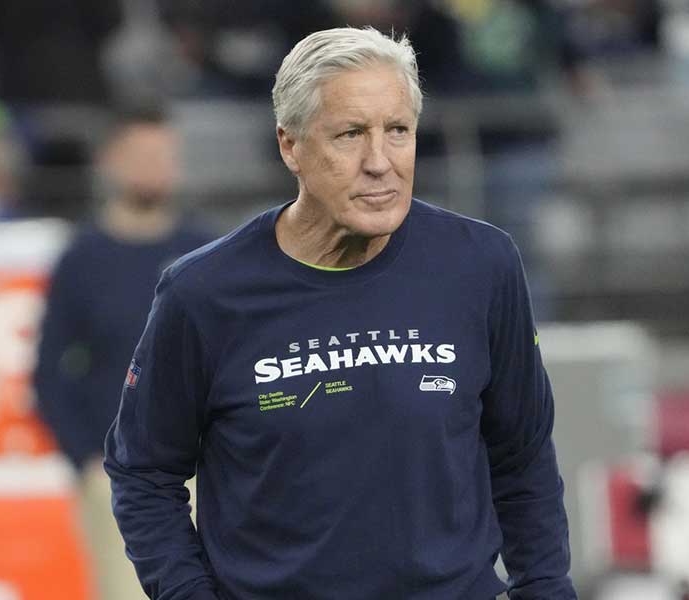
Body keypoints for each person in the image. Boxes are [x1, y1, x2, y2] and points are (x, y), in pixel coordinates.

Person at [105, 27, 575, 599]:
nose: (380, 162)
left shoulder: (482, 265)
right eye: (350, 134)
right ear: (290, 145)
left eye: (397, 131)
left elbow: (523, 455)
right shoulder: (202, 295)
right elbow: (143, 472)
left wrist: (547, 591)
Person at [34, 105, 212, 600]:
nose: (155, 167)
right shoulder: (82, 258)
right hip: (116, 478)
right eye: (142, 155)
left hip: (208, 477)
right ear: (111, 161)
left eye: (164, 155)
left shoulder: (208, 251)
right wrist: (85, 458)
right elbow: (48, 372)